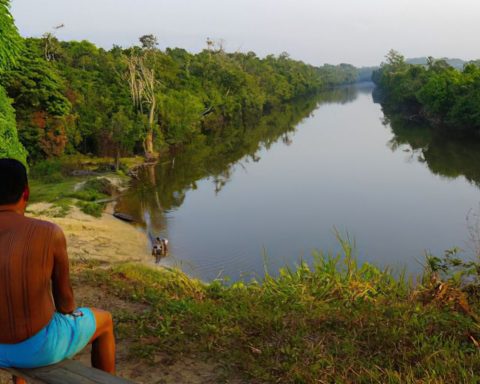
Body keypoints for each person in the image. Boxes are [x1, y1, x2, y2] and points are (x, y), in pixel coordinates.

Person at [0, 159, 116, 383]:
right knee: (105, 321)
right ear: (26, 192)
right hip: (38, 348)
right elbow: (65, 304)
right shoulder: (48, 232)